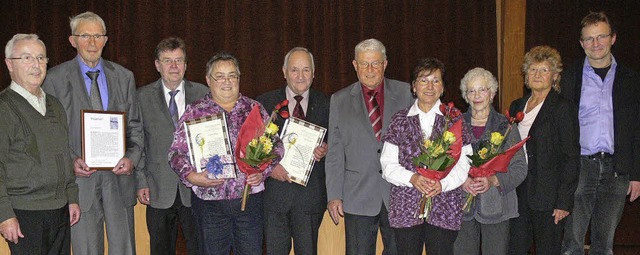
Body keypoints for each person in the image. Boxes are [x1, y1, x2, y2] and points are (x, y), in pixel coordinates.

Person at [42, 11, 143, 255]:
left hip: (119, 179)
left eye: (98, 36)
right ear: (72, 40)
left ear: (106, 40)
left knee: (125, 248)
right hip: (80, 182)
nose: (92, 42)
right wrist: (70, 161)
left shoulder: (124, 77)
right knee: (86, 249)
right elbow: (50, 134)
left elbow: (136, 127)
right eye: (85, 35)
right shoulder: (54, 79)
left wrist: (132, 158)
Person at [168, 52, 283, 255]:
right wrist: (191, 176)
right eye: (220, 76)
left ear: (239, 79)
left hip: (249, 203)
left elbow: (276, 146)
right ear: (208, 80)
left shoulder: (253, 109)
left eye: (232, 75)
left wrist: (262, 172)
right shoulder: (195, 112)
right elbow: (175, 154)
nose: (227, 81)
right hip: (209, 205)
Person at [560, 12, 640, 255]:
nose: (596, 44)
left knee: (604, 245)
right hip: (580, 167)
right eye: (589, 38)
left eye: (601, 37)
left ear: (613, 38)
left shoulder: (632, 80)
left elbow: (637, 129)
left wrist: (636, 174)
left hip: (617, 170)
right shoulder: (568, 78)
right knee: (572, 242)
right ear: (581, 43)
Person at [325, 38, 412, 255]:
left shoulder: (406, 93)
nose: (370, 70)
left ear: (385, 64)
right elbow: (334, 152)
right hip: (357, 195)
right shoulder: (339, 100)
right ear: (355, 65)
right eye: (364, 64)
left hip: (399, 194)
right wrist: (334, 194)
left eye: (375, 63)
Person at [380, 58, 472, 255]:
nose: (430, 86)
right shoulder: (400, 119)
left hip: (445, 205)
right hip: (406, 206)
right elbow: (387, 165)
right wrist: (413, 178)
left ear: (443, 87)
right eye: (423, 80)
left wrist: (443, 184)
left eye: (436, 80)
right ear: (413, 87)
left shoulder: (455, 119)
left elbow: (464, 162)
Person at [0, 33, 80, 254]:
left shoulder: (55, 105)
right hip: (24, 213)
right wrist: (5, 215)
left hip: (60, 210)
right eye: (26, 58)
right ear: (9, 64)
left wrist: (71, 197)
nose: (35, 65)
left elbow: (64, 155)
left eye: (41, 58)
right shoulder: (4, 108)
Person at [135, 37, 207, 255]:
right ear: (157, 65)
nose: (174, 66)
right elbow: (137, 141)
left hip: (195, 188)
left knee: (198, 248)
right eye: (167, 60)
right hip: (157, 188)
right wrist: (140, 180)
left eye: (178, 60)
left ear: (186, 64)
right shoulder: (141, 97)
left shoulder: (203, 94)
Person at [256, 47, 329, 255]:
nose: (300, 76)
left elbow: (338, 144)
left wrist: (326, 149)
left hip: (310, 198)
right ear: (284, 71)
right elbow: (252, 146)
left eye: (306, 70)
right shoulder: (264, 103)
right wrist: (270, 168)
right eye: (294, 69)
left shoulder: (328, 104)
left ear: (314, 74)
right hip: (274, 197)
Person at [507, 46, 580, 255]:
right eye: (532, 70)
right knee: (515, 249)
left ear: (555, 76)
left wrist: (563, 202)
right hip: (518, 193)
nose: (537, 75)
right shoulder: (516, 106)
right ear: (526, 75)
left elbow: (571, 158)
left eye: (544, 70)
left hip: (549, 198)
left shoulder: (563, 108)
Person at [452, 68, 527, 255]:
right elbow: (446, 164)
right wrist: (461, 181)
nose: (477, 95)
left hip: (498, 207)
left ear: (492, 93)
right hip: (462, 206)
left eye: (482, 90)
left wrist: (494, 180)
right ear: (466, 96)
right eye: (471, 91)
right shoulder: (455, 125)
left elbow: (520, 168)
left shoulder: (506, 127)